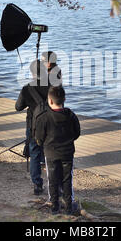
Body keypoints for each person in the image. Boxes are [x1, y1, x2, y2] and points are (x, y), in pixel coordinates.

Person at [35, 86, 80, 215]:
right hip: (67, 152)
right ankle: (68, 207)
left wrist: (44, 144)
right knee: (67, 178)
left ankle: (55, 207)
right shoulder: (71, 115)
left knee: (52, 179)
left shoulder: (43, 118)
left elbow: (39, 138)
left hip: (51, 153)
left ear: (49, 100)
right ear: (64, 99)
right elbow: (77, 133)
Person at [15, 60, 49, 195]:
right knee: (50, 154)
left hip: (33, 125)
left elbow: (18, 107)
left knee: (34, 153)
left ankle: (37, 185)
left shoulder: (27, 88)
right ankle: (55, 184)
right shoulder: (53, 86)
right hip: (50, 125)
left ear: (32, 73)